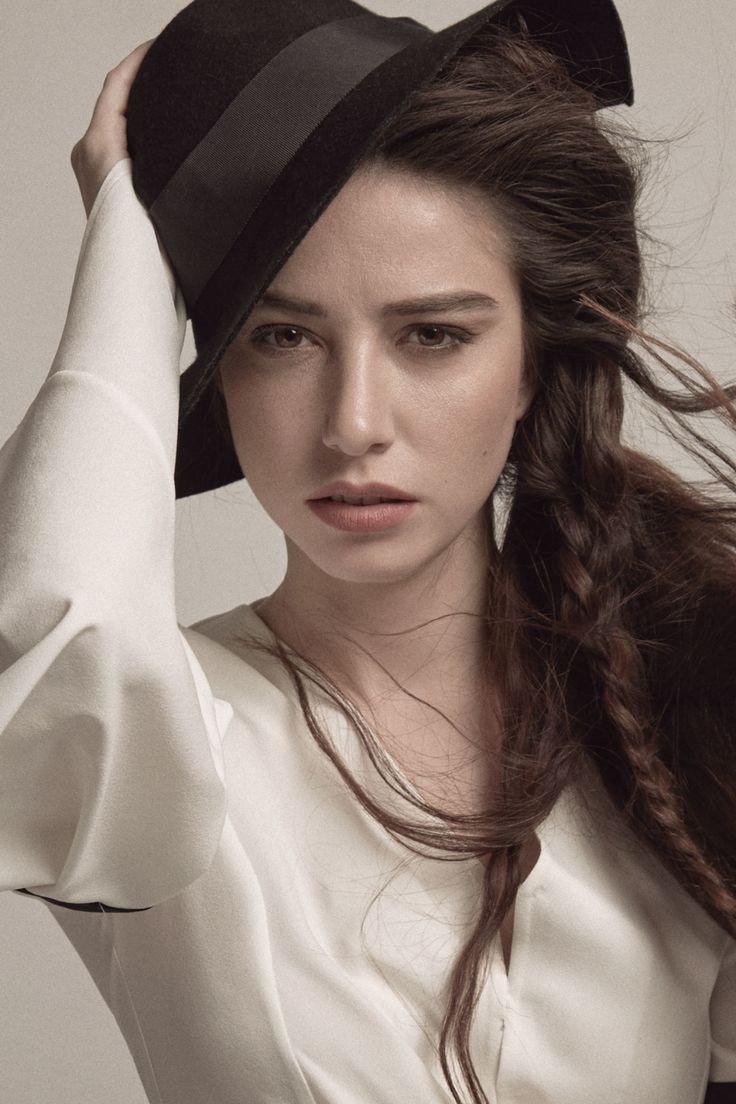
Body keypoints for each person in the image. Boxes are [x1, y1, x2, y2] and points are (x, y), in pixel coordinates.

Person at [1, 1, 734, 1102]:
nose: (353, 424)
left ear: (532, 368)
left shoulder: (669, 720)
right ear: (214, 367)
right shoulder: (165, 736)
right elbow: (52, 624)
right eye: (282, 336)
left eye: (432, 335)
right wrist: (132, 247)